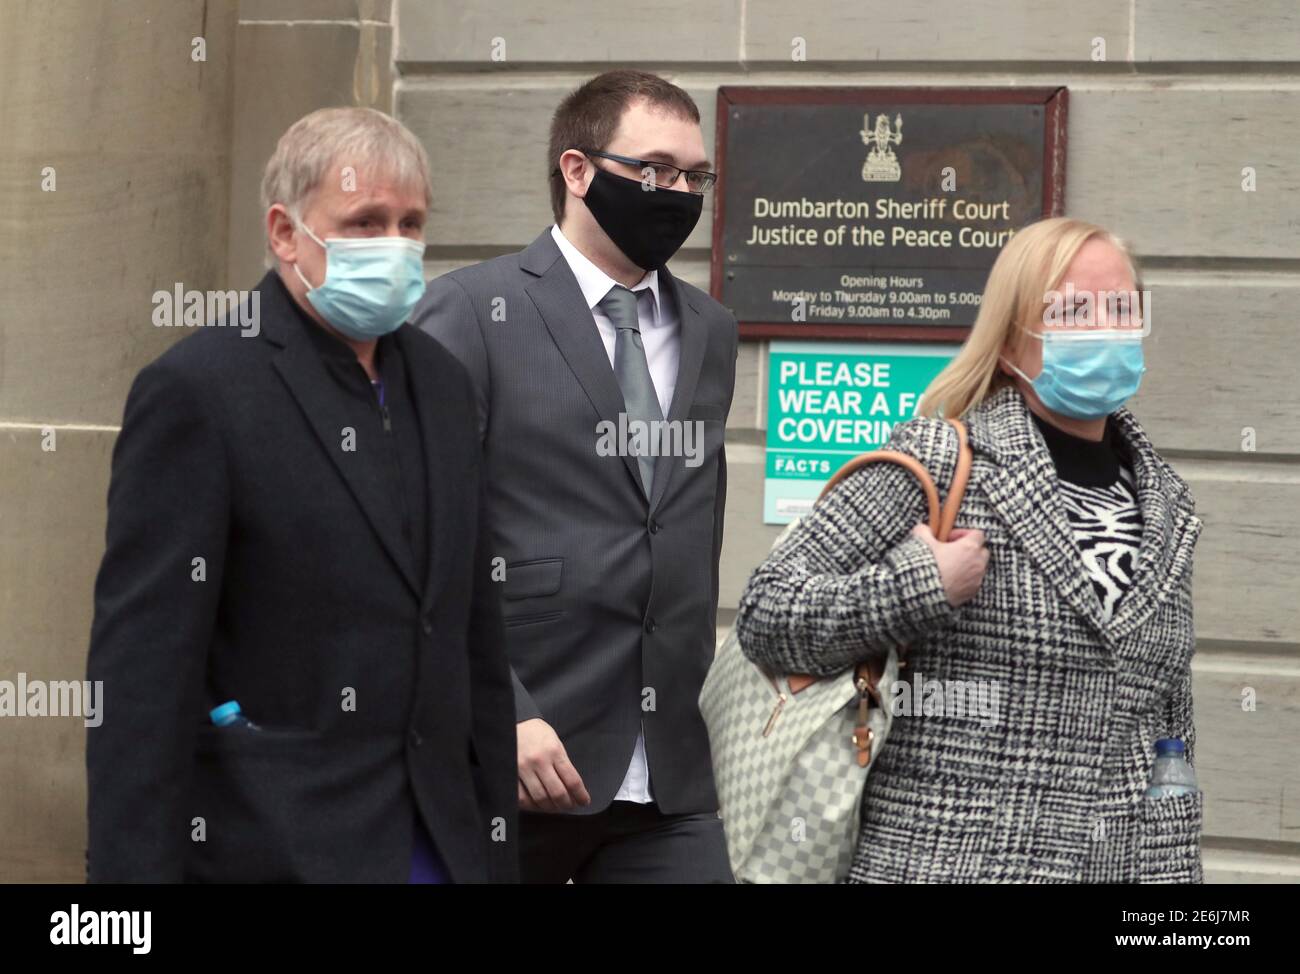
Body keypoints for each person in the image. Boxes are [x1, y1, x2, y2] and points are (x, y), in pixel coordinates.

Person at [85, 107, 517, 883]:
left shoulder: (444, 386)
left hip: (439, 843)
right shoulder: (201, 390)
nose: (394, 244)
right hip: (275, 845)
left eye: (410, 223)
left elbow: (473, 639)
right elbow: (142, 678)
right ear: (286, 233)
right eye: (364, 222)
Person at [735, 217, 1204, 883]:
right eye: (1072, 310)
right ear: (1013, 335)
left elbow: (1170, 737)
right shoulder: (940, 458)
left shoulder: (1165, 503)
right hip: (948, 864)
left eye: (1121, 307)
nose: (1103, 327)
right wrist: (917, 586)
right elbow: (768, 613)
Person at [414, 70, 738, 883]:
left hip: (668, 779)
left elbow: (683, 525)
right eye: (656, 169)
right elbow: (421, 543)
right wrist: (501, 711)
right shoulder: (470, 310)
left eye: (695, 176)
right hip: (513, 760)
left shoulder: (710, 329)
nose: (679, 193)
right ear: (577, 170)